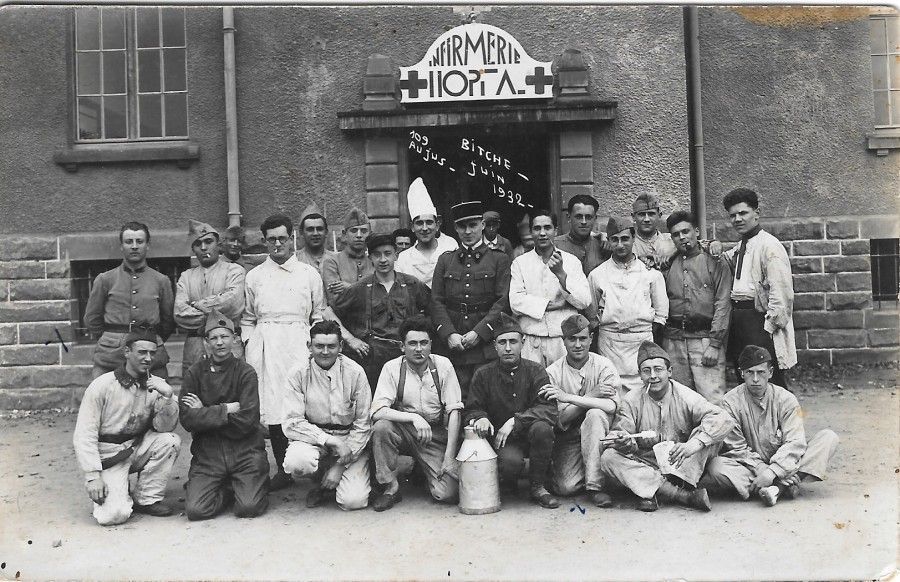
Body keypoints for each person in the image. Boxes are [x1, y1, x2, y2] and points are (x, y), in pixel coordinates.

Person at [241, 213, 326, 492]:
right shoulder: (254, 277)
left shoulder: (308, 274)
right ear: (265, 242)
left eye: (282, 238)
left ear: (292, 239)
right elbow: (247, 317)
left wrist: (313, 348)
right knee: (274, 407)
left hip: (299, 344)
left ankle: (314, 467)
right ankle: (283, 468)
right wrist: (250, 343)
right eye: (271, 239)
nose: (277, 244)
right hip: (266, 345)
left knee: (304, 404)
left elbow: (318, 314)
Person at [599, 341, 734, 512]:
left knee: (709, 434)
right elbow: (624, 436)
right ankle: (682, 495)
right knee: (609, 457)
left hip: (682, 462)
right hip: (647, 464)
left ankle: (652, 492)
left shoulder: (685, 395)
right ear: (640, 375)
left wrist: (694, 444)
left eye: (658, 369)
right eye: (646, 371)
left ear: (669, 372)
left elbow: (724, 418)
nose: (653, 376)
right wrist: (624, 442)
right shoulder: (631, 400)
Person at [702, 346, 839, 507]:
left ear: (771, 373)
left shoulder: (786, 399)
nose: (755, 379)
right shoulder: (729, 402)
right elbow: (736, 448)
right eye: (749, 372)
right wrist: (762, 470)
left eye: (761, 372)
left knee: (828, 438)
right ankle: (783, 485)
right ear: (741, 373)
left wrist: (773, 471)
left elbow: (795, 442)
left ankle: (776, 488)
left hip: (785, 462)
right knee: (716, 466)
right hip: (752, 467)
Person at [72, 328, 181, 525]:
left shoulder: (154, 385)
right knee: (114, 516)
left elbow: (165, 427)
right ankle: (119, 492)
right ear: (127, 353)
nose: (148, 358)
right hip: (109, 455)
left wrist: (168, 396)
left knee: (170, 442)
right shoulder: (102, 385)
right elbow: (84, 434)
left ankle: (147, 498)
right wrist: (93, 476)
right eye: (141, 352)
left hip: (137, 447)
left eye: (152, 353)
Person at [179, 310, 269, 520]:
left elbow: (248, 420)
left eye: (224, 337)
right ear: (206, 342)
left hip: (244, 451)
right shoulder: (195, 373)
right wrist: (226, 409)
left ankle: (249, 486)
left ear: (234, 339)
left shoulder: (246, 372)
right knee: (196, 511)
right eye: (214, 338)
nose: (219, 343)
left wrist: (204, 411)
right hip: (209, 454)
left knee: (248, 508)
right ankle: (229, 490)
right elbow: (187, 419)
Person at [464, 314, 560, 508]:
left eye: (513, 341)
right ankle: (508, 482)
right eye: (502, 342)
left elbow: (549, 409)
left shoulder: (536, 371)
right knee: (511, 463)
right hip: (502, 441)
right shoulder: (483, 373)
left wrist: (516, 421)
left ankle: (538, 487)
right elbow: (473, 408)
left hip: (531, 434)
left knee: (543, 428)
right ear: (495, 345)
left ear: (522, 343)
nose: (508, 348)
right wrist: (480, 418)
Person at [370, 316, 462, 511]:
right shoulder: (392, 368)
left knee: (447, 493)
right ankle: (390, 487)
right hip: (404, 430)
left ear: (431, 345)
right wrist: (414, 417)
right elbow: (377, 410)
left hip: (434, 435)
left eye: (423, 343)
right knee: (381, 428)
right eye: (412, 343)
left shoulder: (443, 365)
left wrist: (449, 457)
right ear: (402, 347)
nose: (418, 349)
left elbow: (454, 411)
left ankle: (422, 470)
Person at [282, 321, 372, 510]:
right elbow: (292, 422)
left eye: (331, 346)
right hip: (314, 439)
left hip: (348, 441)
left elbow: (363, 423)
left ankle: (340, 476)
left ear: (341, 347)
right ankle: (319, 483)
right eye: (319, 346)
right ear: (309, 346)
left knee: (353, 501)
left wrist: (340, 466)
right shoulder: (297, 373)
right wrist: (329, 440)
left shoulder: (355, 372)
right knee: (297, 461)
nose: (325, 352)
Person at [431, 200, 511, 398]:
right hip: (453, 341)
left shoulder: (498, 259)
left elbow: (503, 301)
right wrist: (449, 334)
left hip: (484, 343)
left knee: (485, 396)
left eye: (472, 225)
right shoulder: (445, 259)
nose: (467, 231)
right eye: (461, 226)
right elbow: (436, 300)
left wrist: (480, 332)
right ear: (455, 228)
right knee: (453, 398)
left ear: (483, 225)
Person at [332, 233, 432, 389]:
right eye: (377, 255)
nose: (383, 259)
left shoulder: (412, 284)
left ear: (396, 255)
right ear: (369, 257)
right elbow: (328, 312)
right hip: (374, 357)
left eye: (388, 253)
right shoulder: (361, 287)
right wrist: (351, 339)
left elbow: (434, 309)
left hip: (407, 354)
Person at [722, 188, 796, 387]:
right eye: (733, 215)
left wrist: (769, 328)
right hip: (739, 321)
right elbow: (724, 261)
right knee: (745, 380)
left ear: (757, 213)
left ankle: (783, 418)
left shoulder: (770, 246)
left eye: (743, 213)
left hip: (758, 322)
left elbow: (782, 294)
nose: (737, 219)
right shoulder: (741, 246)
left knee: (769, 381)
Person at [544, 314, 620, 507]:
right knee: (565, 488)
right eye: (572, 339)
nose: (578, 345)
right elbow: (559, 419)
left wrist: (569, 398)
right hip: (569, 435)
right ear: (563, 341)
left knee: (595, 414)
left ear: (591, 339)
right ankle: (590, 471)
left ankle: (595, 486)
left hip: (603, 434)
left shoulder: (604, 365)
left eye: (583, 338)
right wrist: (593, 396)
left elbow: (611, 406)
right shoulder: (553, 372)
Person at [83, 221, 175, 379]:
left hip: (150, 356)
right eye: (128, 241)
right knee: (104, 398)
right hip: (110, 356)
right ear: (121, 246)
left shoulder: (161, 281)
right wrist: (111, 339)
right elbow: (92, 319)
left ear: (147, 245)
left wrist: (150, 338)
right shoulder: (105, 279)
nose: (134, 246)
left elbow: (168, 321)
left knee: (156, 400)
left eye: (139, 241)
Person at [587, 217, 668, 392]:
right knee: (612, 389)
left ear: (633, 239)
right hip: (610, 342)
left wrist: (646, 337)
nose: (620, 244)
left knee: (645, 391)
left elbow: (661, 314)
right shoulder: (597, 275)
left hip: (641, 340)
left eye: (625, 239)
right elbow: (592, 313)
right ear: (609, 241)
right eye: (615, 239)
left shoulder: (651, 274)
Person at [661, 210, 732, 403]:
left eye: (686, 231)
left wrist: (715, 344)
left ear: (697, 232)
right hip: (674, 342)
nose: (682, 237)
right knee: (680, 401)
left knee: (712, 400)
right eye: (676, 234)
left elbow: (723, 303)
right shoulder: (668, 264)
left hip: (704, 341)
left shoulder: (715, 261)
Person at [509, 210, 591, 367]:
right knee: (533, 388)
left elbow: (584, 301)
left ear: (556, 230)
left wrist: (561, 274)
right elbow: (516, 302)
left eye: (547, 228)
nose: (542, 233)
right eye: (537, 228)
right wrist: (553, 304)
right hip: (531, 339)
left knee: (564, 386)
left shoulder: (571, 261)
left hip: (563, 340)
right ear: (531, 231)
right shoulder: (520, 263)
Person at [174, 219, 246, 375]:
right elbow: (180, 313)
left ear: (218, 245)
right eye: (198, 244)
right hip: (196, 345)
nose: (204, 247)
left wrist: (197, 304)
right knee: (194, 393)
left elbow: (233, 303)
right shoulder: (186, 277)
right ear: (193, 249)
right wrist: (216, 315)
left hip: (228, 344)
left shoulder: (234, 271)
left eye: (208, 242)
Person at [395, 178, 459, 288]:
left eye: (429, 222)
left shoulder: (450, 246)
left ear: (437, 225)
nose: (425, 228)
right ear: (412, 227)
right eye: (419, 223)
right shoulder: (404, 258)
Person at [322, 207, 373, 305]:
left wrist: (349, 287)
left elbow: (381, 297)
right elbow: (336, 301)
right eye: (354, 230)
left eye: (363, 231)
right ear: (344, 234)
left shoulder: (374, 261)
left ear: (370, 234)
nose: (359, 235)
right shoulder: (332, 262)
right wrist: (367, 291)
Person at [553, 194, 609, 276]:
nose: (584, 222)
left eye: (588, 217)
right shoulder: (555, 246)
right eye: (578, 217)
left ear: (595, 218)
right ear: (569, 217)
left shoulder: (603, 245)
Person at [631, 192, 677, 270]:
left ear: (659, 215)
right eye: (641, 214)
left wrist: (675, 252)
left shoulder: (672, 240)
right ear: (633, 217)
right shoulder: (628, 243)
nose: (646, 219)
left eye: (651, 214)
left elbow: (697, 244)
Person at [296, 202, 336, 273]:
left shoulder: (336, 259)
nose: (315, 233)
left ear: (326, 232)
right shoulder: (295, 260)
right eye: (310, 229)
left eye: (319, 229)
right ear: (301, 233)